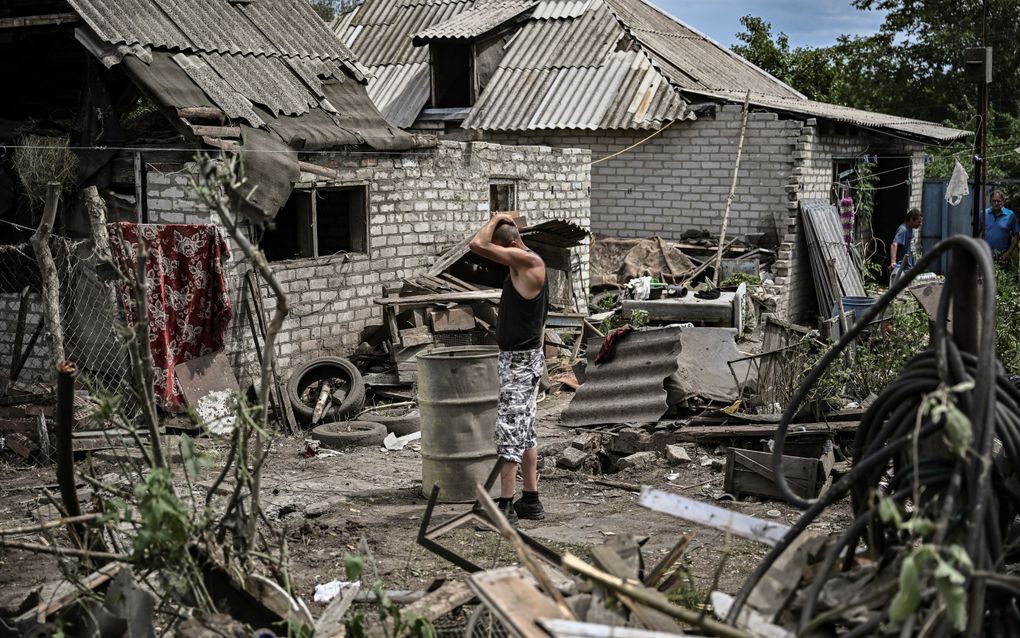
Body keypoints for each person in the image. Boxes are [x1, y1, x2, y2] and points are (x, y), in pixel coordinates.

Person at [468, 213, 548, 526]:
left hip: (520, 362)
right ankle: (531, 500)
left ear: (513, 245)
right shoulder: (523, 263)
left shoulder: (530, 263)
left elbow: (478, 244)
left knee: (510, 432)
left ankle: (505, 508)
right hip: (520, 360)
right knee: (525, 431)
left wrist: (497, 217)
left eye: (504, 252)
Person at [984, 190, 1019, 263]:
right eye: (994, 201)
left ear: (1003, 201)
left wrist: (1008, 253)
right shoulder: (984, 214)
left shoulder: (1010, 215)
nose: (996, 203)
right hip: (985, 255)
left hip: (1002, 256)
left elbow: (1016, 237)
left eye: (999, 201)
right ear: (990, 201)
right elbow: (977, 233)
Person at [889, 208, 923, 279]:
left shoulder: (912, 230)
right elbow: (894, 244)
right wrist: (893, 262)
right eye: (918, 222)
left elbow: (912, 247)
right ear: (911, 220)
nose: (920, 224)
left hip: (909, 267)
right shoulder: (903, 230)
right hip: (901, 267)